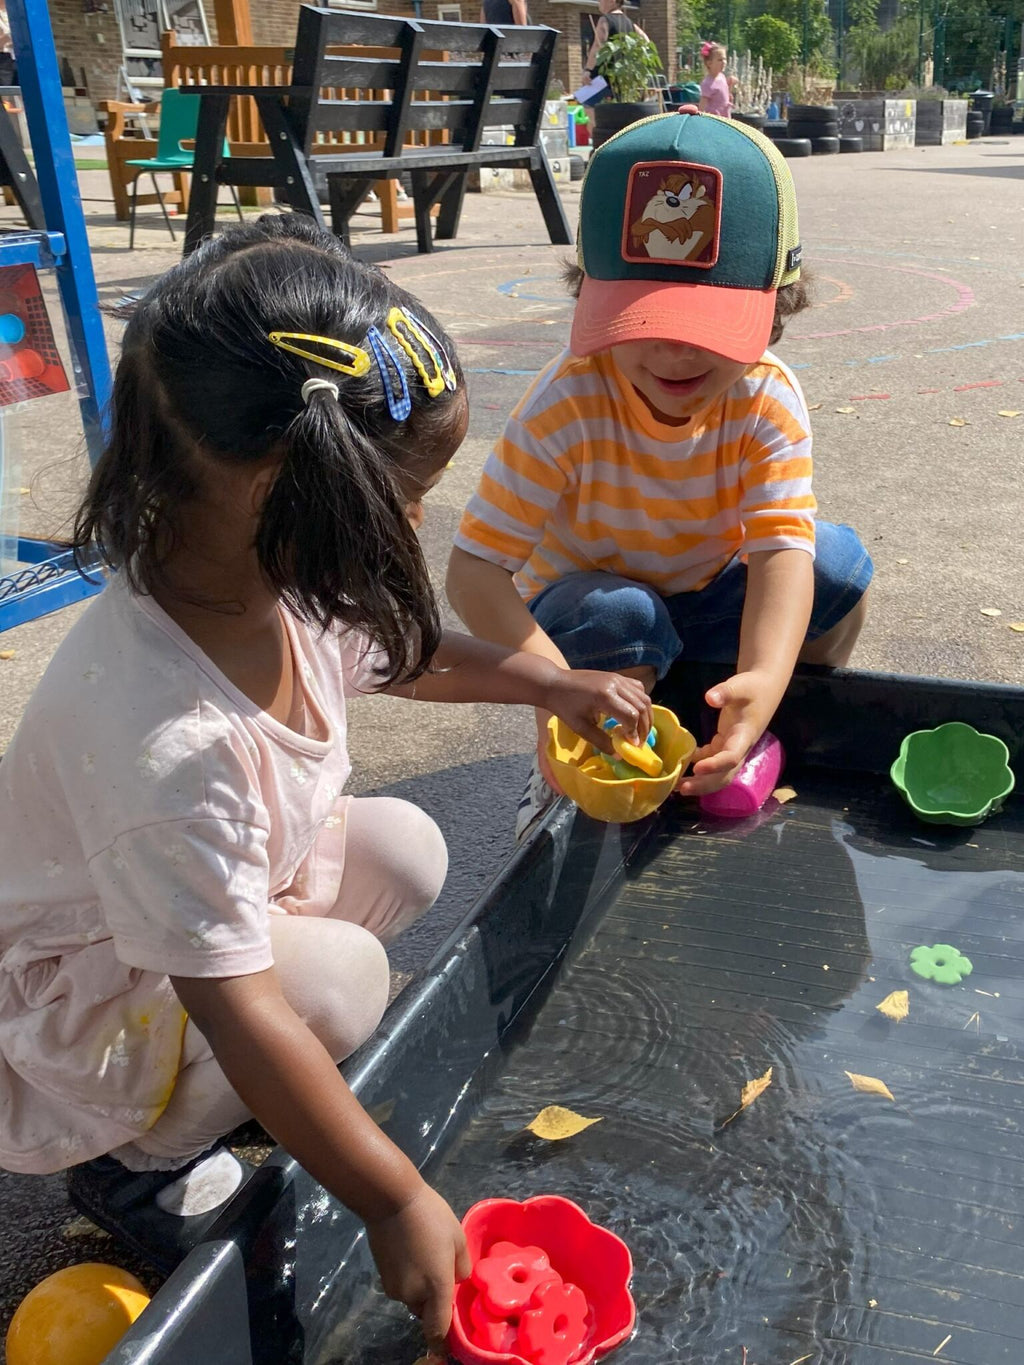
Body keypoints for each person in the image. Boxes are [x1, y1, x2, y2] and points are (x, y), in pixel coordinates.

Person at [0, 216, 651, 1350]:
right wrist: (390, 1197)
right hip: (80, 1008)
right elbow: (235, 1003)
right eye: (403, 495)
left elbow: (411, 655)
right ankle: (134, 1162)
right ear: (281, 488)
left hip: (181, 907)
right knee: (339, 986)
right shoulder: (169, 741)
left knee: (407, 847)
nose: (415, 521)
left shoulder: (263, 573)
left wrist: (551, 684)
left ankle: (224, 1084)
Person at [447, 111, 872, 841]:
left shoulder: (766, 396)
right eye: (642, 317)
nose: (676, 352)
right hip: (594, 622)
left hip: (708, 595)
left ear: (775, 307)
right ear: (591, 297)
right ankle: (584, 752)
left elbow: (780, 551)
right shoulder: (568, 401)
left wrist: (765, 681)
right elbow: (474, 571)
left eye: (710, 325)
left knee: (837, 568)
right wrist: (556, 689)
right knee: (622, 613)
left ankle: (749, 722)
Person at [699, 41, 735, 117]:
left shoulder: (722, 77)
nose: (724, 62)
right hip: (715, 118)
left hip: (725, 116)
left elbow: (722, 92)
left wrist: (729, 88)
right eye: (720, 60)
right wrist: (699, 117)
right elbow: (702, 105)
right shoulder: (707, 83)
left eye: (725, 59)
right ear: (709, 63)